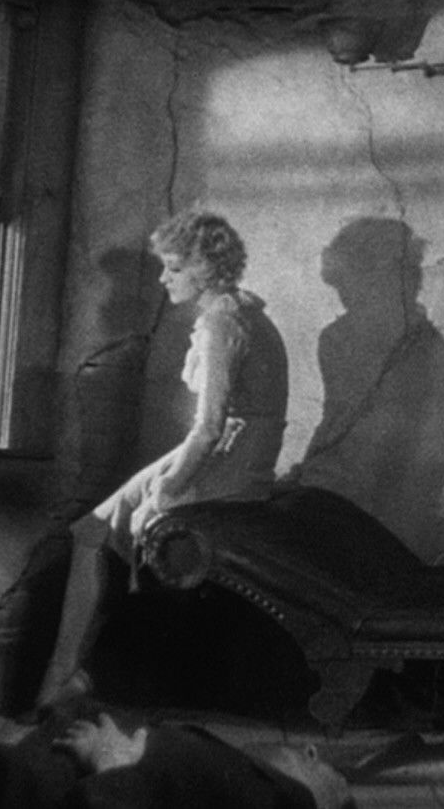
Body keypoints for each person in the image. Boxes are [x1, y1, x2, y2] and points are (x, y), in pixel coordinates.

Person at [37, 211, 290, 708]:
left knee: (111, 530)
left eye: (174, 268)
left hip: (232, 464)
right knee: (91, 529)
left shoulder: (223, 323)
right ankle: (71, 672)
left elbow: (210, 427)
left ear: (205, 269)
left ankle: (74, 676)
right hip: (233, 452)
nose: (162, 279)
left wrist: (169, 488)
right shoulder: (237, 312)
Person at [0, 698, 354, 809]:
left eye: (324, 766)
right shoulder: (252, 782)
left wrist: (119, 769)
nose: (311, 750)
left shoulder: (274, 799)